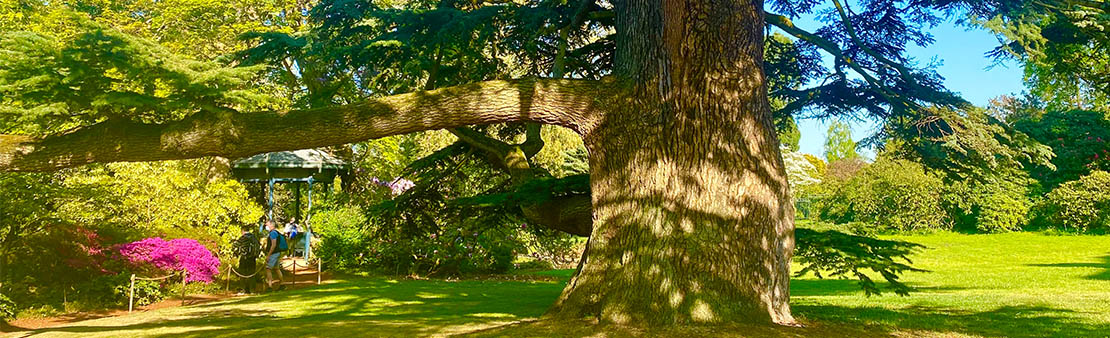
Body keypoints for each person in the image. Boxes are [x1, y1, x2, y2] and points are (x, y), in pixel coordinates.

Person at [230, 223, 261, 294]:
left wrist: (236, 253)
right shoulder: (254, 237)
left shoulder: (243, 237)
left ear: (243, 231)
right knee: (252, 273)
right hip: (252, 258)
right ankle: (252, 289)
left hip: (245, 257)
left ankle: (244, 289)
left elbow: (235, 245)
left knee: (243, 273)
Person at [263, 219, 288, 291]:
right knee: (276, 268)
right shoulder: (276, 232)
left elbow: (273, 245)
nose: (266, 226)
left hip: (274, 253)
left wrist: (268, 255)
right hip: (277, 252)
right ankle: (282, 284)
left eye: (267, 225)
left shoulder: (272, 233)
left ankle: (270, 286)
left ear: (271, 225)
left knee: (268, 268)